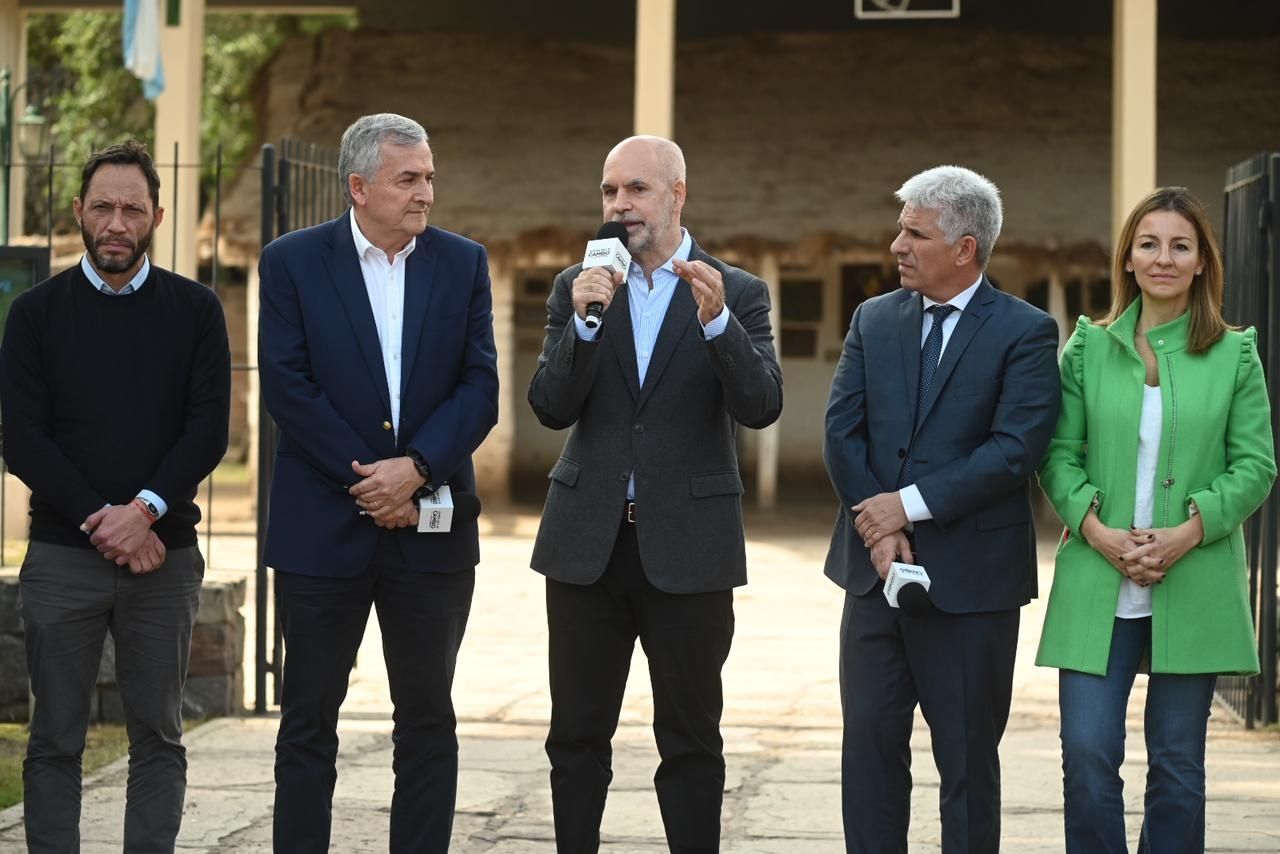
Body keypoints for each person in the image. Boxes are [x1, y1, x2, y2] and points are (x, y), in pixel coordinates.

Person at [528, 135, 782, 853]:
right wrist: (583, 324)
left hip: (690, 548)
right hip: (586, 546)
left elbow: (762, 406)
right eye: (610, 191)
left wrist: (718, 325)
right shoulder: (577, 286)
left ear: (677, 195)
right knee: (575, 735)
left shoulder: (735, 290)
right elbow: (550, 406)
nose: (619, 205)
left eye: (636, 189)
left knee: (692, 737)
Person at [258, 113, 498, 853]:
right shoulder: (291, 262)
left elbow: (480, 387)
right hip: (321, 530)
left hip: (431, 534)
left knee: (427, 721)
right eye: (408, 179)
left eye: (429, 177)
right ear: (359, 187)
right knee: (308, 721)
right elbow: (288, 386)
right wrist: (371, 481)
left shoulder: (463, 263)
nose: (426, 192)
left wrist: (416, 470)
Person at [0, 139, 231, 853]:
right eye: (102, 207)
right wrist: (106, 522)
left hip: (163, 558)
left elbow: (207, 431)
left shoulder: (197, 311)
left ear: (158, 216)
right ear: (78, 211)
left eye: (132, 209)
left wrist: (145, 512)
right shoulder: (35, 315)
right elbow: (22, 438)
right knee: (54, 739)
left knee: (158, 737)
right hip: (63, 557)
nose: (116, 223)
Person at [822, 165, 1061, 853]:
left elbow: (1014, 450)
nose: (897, 244)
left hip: (973, 587)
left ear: (965, 248)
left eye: (915, 234)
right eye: (900, 229)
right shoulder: (873, 318)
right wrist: (878, 528)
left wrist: (907, 507)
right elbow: (842, 432)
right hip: (873, 580)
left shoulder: (1026, 332)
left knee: (966, 765)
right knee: (869, 752)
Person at [1036, 186, 1276, 853]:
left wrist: (1187, 533)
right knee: (1087, 754)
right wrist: (1097, 532)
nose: (1163, 258)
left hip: (1193, 575)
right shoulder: (1088, 348)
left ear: (1201, 263)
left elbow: (1255, 465)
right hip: (1097, 574)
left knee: (1177, 766)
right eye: (1149, 244)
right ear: (1128, 258)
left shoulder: (1235, 354)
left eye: (1180, 246)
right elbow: (1057, 455)